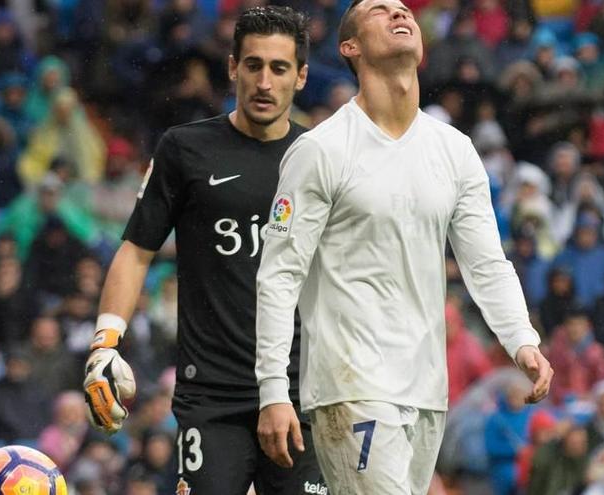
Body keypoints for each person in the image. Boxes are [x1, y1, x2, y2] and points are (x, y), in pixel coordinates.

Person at [254, 1, 553, 493]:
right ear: (350, 47)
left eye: (403, 9)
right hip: (350, 384)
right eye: (378, 10)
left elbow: (485, 263)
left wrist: (522, 339)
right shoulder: (320, 151)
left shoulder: (454, 151)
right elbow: (279, 274)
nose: (399, 13)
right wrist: (271, 389)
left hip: (426, 388)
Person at [81, 7, 324, 495]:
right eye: (253, 65)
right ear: (232, 66)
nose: (264, 81)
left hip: (304, 392)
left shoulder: (324, 158)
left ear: (300, 77)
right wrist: (105, 342)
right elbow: (136, 249)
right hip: (211, 397)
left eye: (279, 68)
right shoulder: (184, 149)